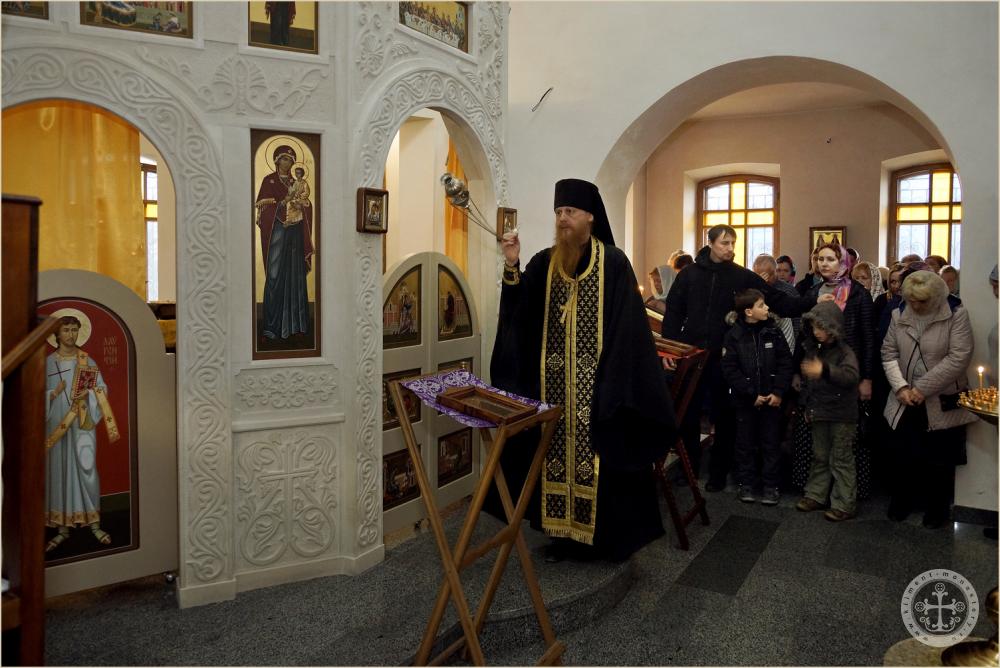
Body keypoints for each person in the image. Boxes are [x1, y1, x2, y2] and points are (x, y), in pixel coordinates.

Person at [490, 178, 675, 562]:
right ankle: (562, 535)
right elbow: (520, 314)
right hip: (553, 391)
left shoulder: (614, 263)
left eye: (570, 211)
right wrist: (511, 264)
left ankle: (601, 540)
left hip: (601, 391)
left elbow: (629, 331)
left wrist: (614, 382)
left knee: (604, 463)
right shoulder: (545, 262)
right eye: (558, 212)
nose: (563, 219)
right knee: (552, 458)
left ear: (590, 216)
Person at [662, 224, 818, 492]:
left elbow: (777, 300)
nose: (730, 248)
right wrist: (670, 349)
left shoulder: (740, 275)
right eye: (724, 243)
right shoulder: (689, 274)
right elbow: (674, 313)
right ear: (710, 243)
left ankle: (719, 472)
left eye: (733, 243)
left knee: (724, 416)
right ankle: (688, 468)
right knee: (688, 413)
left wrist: (813, 300)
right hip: (692, 355)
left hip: (726, 357)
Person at [882, 271, 976, 528]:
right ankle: (902, 501)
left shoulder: (956, 314)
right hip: (905, 397)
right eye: (911, 300)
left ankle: (937, 509)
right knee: (903, 453)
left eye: (921, 301)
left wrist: (922, 388)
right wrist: (901, 387)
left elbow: (958, 357)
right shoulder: (899, 314)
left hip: (940, 398)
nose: (915, 306)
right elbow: (888, 352)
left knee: (940, 457)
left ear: (935, 297)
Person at [792, 243, 875, 500]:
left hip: (846, 370)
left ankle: (844, 497)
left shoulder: (858, 293)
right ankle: (817, 493)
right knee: (818, 442)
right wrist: (797, 370)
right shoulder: (813, 291)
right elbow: (804, 334)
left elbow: (868, 338)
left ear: (843, 263)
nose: (824, 263)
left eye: (830, 259)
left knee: (843, 444)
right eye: (820, 259)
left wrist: (867, 378)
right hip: (816, 371)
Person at [44, 316, 120, 551]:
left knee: (87, 469)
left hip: (83, 422)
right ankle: (62, 529)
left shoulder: (86, 359)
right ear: (57, 334)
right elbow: (35, 393)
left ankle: (94, 525)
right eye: (66, 330)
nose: (71, 334)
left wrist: (90, 393)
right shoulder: (48, 363)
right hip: (57, 423)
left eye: (74, 330)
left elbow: (102, 387)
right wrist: (53, 394)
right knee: (59, 471)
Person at [721, 289, 793, 505]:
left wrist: (778, 392)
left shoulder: (773, 332)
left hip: (771, 399)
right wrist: (750, 393)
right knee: (745, 444)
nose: (767, 308)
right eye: (762, 305)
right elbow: (730, 369)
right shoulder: (733, 336)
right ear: (749, 311)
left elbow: (785, 363)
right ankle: (747, 483)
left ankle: (771, 485)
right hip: (746, 402)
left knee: (771, 444)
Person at [795, 302, 860, 521]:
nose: (816, 332)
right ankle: (816, 494)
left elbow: (850, 377)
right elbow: (809, 383)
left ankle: (844, 503)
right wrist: (807, 406)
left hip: (842, 414)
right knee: (820, 456)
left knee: (841, 459)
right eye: (813, 327)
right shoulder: (814, 349)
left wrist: (824, 370)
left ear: (833, 328)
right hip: (820, 411)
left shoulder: (845, 352)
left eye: (821, 328)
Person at [254, 145, 314, 343]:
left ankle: (296, 325)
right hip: (277, 232)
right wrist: (283, 202)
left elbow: (307, 205)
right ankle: (271, 328)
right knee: (274, 275)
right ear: (277, 160)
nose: (287, 163)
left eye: (291, 160)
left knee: (296, 276)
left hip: (295, 232)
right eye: (284, 159)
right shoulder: (269, 180)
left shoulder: (298, 182)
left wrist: (303, 205)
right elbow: (263, 210)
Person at [753, 253, 798, 349]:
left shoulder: (788, 290)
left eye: (767, 275)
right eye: (757, 275)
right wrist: (758, 285)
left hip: (783, 339)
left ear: (773, 273)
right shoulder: (750, 289)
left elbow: (796, 320)